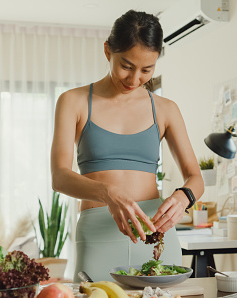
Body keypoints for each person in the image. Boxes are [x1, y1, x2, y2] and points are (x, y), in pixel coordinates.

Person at [50, 9, 204, 282]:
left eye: (147, 70)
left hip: (156, 231)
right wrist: (108, 193)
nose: (135, 80)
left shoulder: (166, 109)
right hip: (97, 233)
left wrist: (183, 197)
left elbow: (195, 177)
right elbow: (59, 177)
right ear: (108, 51)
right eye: (127, 66)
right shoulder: (72, 101)